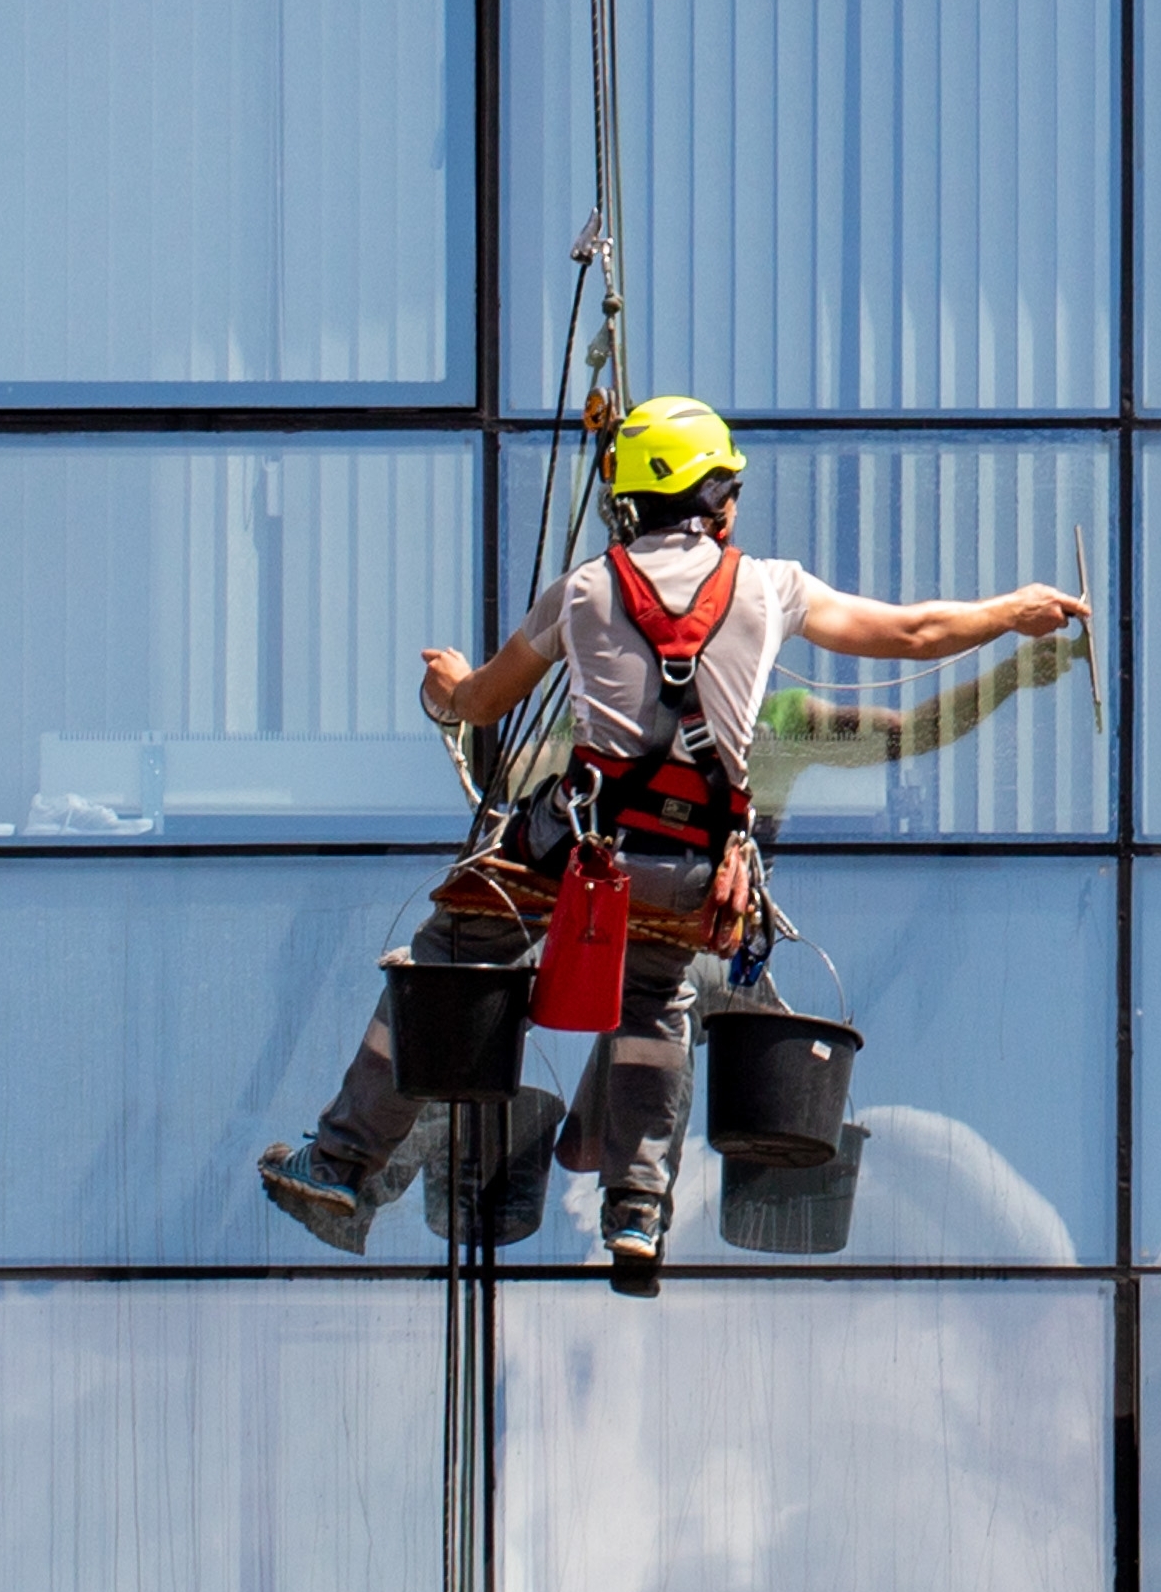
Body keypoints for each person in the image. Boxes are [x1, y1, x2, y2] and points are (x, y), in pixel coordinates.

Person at [258, 398, 1093, 1293]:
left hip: (577, 851)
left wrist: (448, 686)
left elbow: (483, 707)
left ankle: (342, 1163)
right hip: (693, 870)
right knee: (653, 999)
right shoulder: (771, 589)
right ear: (720, 502)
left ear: (628, 504)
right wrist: (1015, 613)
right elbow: (913, 633)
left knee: (452, 953)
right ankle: (637, 1215)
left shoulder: (582, 593)